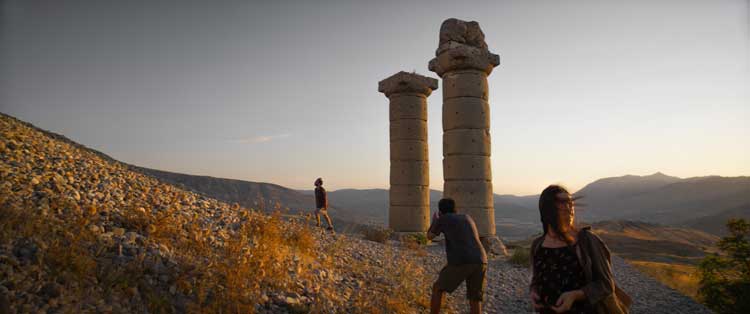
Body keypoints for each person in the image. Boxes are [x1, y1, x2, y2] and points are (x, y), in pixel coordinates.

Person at [529, 185, 631, 314]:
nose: (569, 208)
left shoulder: (587, 241)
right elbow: (535, 280)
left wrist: (576, 295)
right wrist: (533, 291)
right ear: (547, 210)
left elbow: (605, 285)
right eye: (562, 203)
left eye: (570, 203)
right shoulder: (537, 245)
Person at [427, 198, 487, 314]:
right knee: (475, 298)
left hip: (462, 260)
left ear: (441, 210)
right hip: (481, 259)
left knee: (437, 288)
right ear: (455, 209)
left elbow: (429, 236)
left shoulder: (443, 219)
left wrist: (435, 221)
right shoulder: (467, 217)